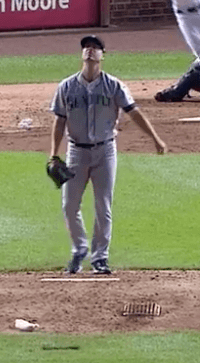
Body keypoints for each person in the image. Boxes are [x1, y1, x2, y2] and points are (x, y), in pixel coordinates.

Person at [51, 34, 167, 275]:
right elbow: (59, 121)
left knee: (103, 205)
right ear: (82, 54)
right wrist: (53, 154)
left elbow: (134, 113)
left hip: (105, 151)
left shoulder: (114, 85)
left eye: (95, 48)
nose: (90, 51)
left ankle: (100, 258)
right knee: (69, 205)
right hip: (76, 151)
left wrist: (155, 138)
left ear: (103, 55)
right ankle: (79, 249)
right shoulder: (66, 87)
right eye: (86, 47)